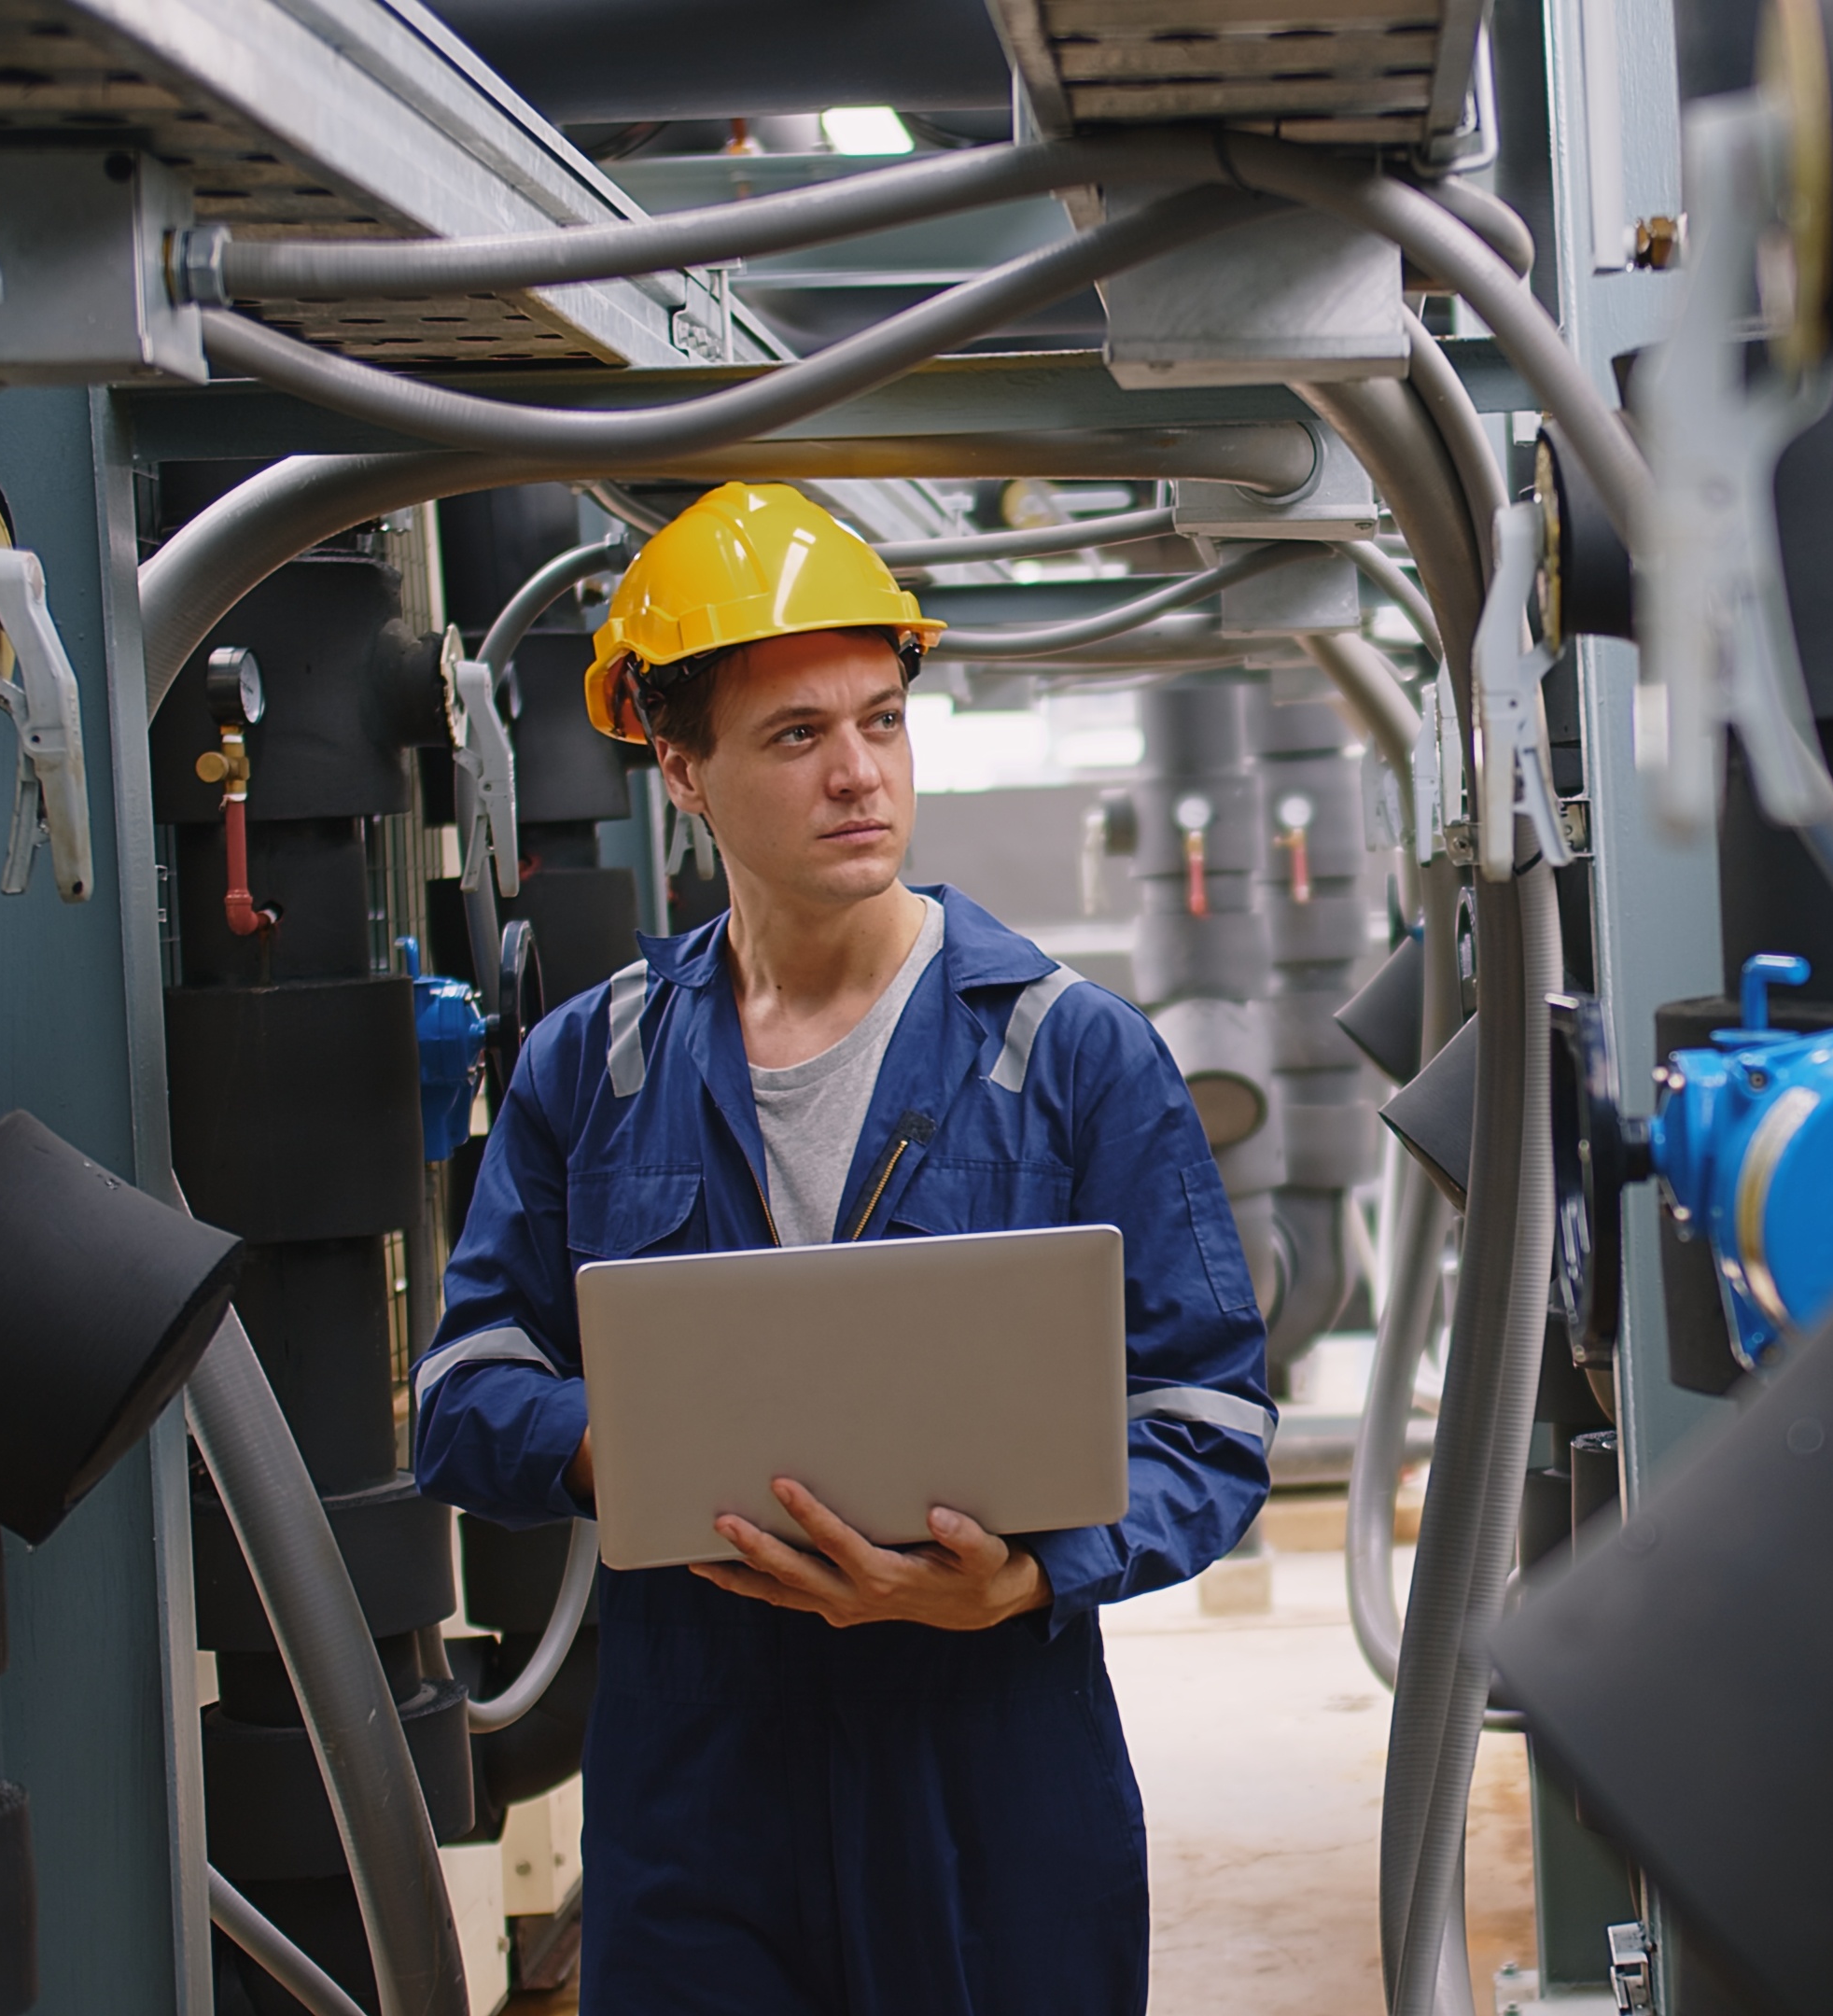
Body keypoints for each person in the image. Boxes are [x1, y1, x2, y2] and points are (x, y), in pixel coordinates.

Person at [412, 482, 1273, 2014]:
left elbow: (1209, 1421)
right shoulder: (588, 1070)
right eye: (796, 736)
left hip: (991, 1765)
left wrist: (1027, 1576)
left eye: (881, 721)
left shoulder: (1071, 1058)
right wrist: (632, 1451)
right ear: (677, 765)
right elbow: (465, 1387)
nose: (859, 775)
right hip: (699, 1777)